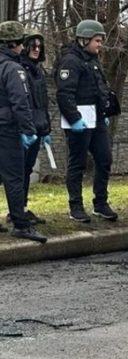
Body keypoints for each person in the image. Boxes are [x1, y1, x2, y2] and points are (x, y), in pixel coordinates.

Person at [57, 19, 118, 222]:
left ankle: (100, 203)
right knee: (78, 163)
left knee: (104, 159)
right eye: (97, 41)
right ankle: (75, 206)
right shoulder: (71, 61)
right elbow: (65, 94)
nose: (100, 45)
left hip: (96, 119)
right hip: (79, 120)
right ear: (84, 40)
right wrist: (74, 119)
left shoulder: (93, 61)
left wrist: (103, 114)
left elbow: (99, 90)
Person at [0, 20, 46, 243]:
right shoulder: (13, 69)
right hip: (8, 129)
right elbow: (20, 101)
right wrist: (28, 130)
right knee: (15, 177)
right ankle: (20, 224)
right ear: (14, 44)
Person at [15, 29, 51, 226]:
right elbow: (22, 103)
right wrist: (24, 128)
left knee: (27, 169)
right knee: (17, 171)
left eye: (39, 46)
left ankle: (21, 208)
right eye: (33, 46)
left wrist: (46, 129)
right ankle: (16, 211)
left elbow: (42, 104)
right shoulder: (19, 69)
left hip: (37, 128)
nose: (36, 49)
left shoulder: (38, 71)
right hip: (23, 129)